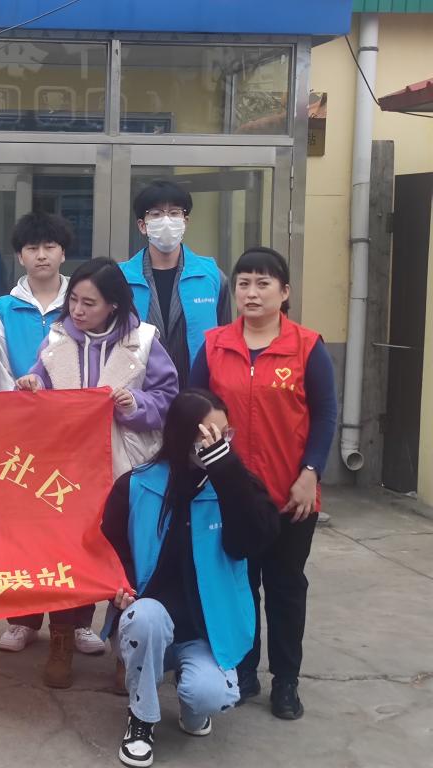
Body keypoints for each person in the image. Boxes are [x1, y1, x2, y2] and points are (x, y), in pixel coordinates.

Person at [189, 246, 337, 720]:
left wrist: (310, 473)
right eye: (243, 284)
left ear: (284, 292)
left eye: (263, 283)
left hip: (291, 495)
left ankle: (287, 681)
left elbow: (325, 415)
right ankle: (244, 670)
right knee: (239, 585)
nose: (251, 293)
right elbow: (194, 405)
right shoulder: (215, 345)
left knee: (285, 586)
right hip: (230, 495)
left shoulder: (307, 346)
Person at [16, 257, 178, 689]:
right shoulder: (56, 338)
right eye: (73, 300)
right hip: (66, 472)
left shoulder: (144, 341)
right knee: (66, 553)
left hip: (126, 468)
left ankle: (128, 647)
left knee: (126, 555)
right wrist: (32, 385)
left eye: (89, 303)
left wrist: (136, 405)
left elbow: (168, 398)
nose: (78, 310)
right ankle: (62, 638)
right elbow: (38, 382)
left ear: (113, 305)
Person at [100, 389, 280, 768]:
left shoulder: (237, 485)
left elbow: (250, 543)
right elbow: (109, 548)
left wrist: (227, 474)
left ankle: (193, 705)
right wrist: (119, 586)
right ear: (182, 435)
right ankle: (141, 718)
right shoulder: (137, 485)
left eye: (225, 435)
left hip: (206, 631)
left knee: (210, 696)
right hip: (152, 622)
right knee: (145, 617)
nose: (218, 444)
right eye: (208, 436)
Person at [0, 212, 102, 657]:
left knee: (79, 527)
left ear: (63, 252)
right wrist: (19, 408)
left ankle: (80, 621)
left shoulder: (81, 302)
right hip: (21, 434)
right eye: (32, 247)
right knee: (24, 529)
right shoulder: (3, 308)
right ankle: (23, 619)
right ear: (19, 256)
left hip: (75, 435)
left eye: (50, 246)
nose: (41, 255)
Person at [120, 180, 231, 389]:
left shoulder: (212, 276)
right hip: (139, 394)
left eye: (174, 213)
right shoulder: (120, 278)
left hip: (198, 392)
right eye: (156, 214)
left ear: (185, 222)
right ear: (142, 225)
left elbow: (226, 338)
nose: (166, 221)